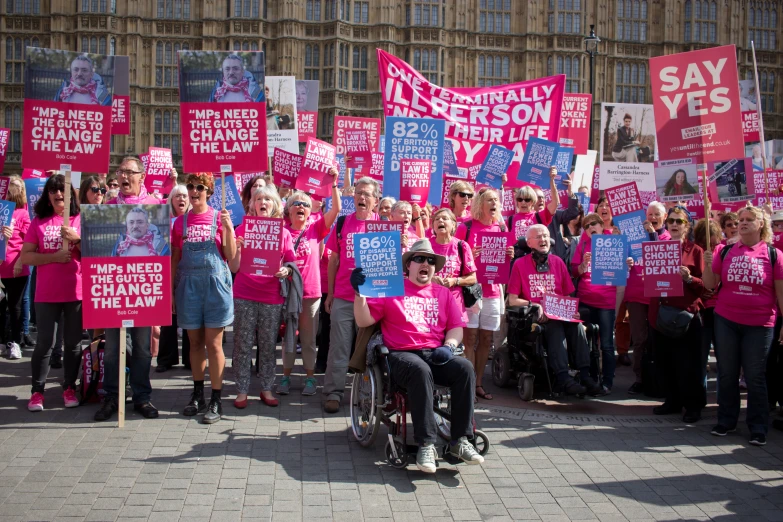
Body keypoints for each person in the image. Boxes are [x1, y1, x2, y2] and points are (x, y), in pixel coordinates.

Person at [351, 239, 484, 472]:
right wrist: (359, 294)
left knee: (464, 368)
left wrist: (450, 345)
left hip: (435, 353)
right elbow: (364, 321)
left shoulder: (444, 294)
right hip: (401, 354)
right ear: (408, 265)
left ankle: (460, 440)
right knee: (420, 371)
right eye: (419, 259)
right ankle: (426, 444)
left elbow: (456, 328)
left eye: (430, 261)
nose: (426, 263)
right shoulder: (391, 291)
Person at [704, 206, 783, 446]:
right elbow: (710, 285)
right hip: (727, 320)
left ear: (761, 225)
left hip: (760, 324)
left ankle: (758, 426)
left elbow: (781, 295)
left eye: (749, 220)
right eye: (741, 220)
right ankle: (726, 420)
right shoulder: (726, 251)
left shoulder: (773, 255)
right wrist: (708, 265)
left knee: (755, 376)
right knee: (727, 373)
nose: (743, 223)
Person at [507, 224, 602, 395]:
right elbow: (512, 299)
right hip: (535, 318)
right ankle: (563, 377)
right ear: (529, 242)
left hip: (559, 313)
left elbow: (568, 294)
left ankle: (586, 374)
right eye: (538, 237)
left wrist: (573, 310)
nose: (543, 239)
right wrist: (533, 305)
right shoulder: (520, 265)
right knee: (554, 327)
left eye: (545, 236)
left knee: (578, 326)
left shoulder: (557, 262)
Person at [173, 173, 237, 424]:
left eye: (200, 187)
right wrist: (169, 292)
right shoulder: (180, 223)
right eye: (190, 187)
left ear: (209, 192)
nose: (194, 191)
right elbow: (175, 258)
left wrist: (229, 228)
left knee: (214, 344)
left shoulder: (218, 218)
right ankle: (197, 394)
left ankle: (217, 399)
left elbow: (230, 257)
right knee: (194, 342)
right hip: (188, 286)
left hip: (215, 285)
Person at [230, 186, 296, 408]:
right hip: (245, 293)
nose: (263, 202)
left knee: (267, 346)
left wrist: (286, 271)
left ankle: (266, 388)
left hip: (271, 296)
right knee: (242, 343)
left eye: (268, 198)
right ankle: (241, 390)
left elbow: (291, 262)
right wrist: (237, 249)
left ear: (275, 204)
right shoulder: (241, 230)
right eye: (259, 198)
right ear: (252, 205)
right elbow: (234, 266)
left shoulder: (283, 233)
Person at [21, 175, 82, 412]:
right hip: (46, 293)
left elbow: (94, 252)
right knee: (44, 343)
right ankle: (37, 392)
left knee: (73, 344)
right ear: (47, 195)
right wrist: (53, 258)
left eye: (63, 190)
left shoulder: (80, 219)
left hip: (75, 291)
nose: (59, 194)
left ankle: (69, 387)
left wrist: (77, 240)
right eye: (54, 190)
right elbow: (26, 256)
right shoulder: (38, 222)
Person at [279, 175, 340, 396]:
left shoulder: (315, 229)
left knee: (307, 339)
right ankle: (285, 378)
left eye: (305, 204)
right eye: (296, 203)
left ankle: (310, 379)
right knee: (288, 339)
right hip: (287, 294)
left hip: (311, 294)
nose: (301, 207)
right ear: (288, 210)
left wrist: (333, 184)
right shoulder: (282, 231)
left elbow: (335, 210)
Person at [322, 177, 379, 413]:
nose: (361, 197)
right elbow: (334, 259)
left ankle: (367, 395)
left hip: (373, 301)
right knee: (339, 347)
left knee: (367, 350)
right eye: (358, 193)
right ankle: (333, 393)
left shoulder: (384, 225)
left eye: (367, 194)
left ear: (375, 201)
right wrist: (331, 293)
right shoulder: (343, 222)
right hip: (344, 296)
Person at [455, 188, 514, 401]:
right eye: (490, 199)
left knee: (486, 339)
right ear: (480, 203)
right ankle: (467, 385)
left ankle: (478, 383)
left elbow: (506, 258)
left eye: (496, 200)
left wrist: (510, 254)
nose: (494, 203)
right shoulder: (466, 227)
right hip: (471, 291)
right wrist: (470, 250)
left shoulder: (501, 226)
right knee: (469, 338)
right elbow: (454, 255)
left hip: (493, 291)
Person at [648, 206, 706, 423]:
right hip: (661, 315)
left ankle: (693, 406)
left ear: (686, 225)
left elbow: (706, 288)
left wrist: (690, 278)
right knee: (665, 362)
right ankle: (672, 401)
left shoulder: (696, 251)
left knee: (688, 364)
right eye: (671, 220)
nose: (674, 224)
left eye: (679, 221)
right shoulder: (656, 248)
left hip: (686, 316)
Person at [572, 212, 617, 394]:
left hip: (606, 301)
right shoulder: (582, 244)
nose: (591, 227)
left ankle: (607, 381)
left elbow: (622, 267)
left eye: (594, 224)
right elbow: (575, 271)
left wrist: (626, 263)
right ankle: (590, 378)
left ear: (601, 225)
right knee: (587, 342)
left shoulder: (613, 240)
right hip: (586, 300)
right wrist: (582, 265)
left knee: (606, 343)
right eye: (587, 225)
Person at [157, 184, 192, 372]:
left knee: (188, 316)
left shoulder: (192, 220)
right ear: (171, 200)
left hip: (188, 273)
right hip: (168, 271)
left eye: (185, 196)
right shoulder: (163, 221)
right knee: (168, 317)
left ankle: (189, 358)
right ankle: (166, 359)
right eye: (177, 196)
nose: (182, 199)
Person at [0, 177, 30, 360]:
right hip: (1, 266)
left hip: (17, 267)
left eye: (16, 186)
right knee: (1, 307)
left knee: (16, 307)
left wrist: (20, 261)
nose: (12, 189)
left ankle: (15, 342)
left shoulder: (23, 214)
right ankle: (2, 341)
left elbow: (29, 242)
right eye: (10, 185)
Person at [430, 208, 478, 319]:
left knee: (455, 335)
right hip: (430, 303)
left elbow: (473, 278)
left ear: (453, 225)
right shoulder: (426, 245)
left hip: (454, 303)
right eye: (437, 219)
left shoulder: (462, 246)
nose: (440, 221)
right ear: (433, 226)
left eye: (444, 218)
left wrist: (455, 281)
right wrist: (430, 278)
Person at [693, 217, 721, 395]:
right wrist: (701, 290)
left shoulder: (723, 250)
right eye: (705, 234)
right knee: (701, 357)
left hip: (719, 309)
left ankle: (722, 397)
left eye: (711, 234)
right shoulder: (696, 251)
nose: (708, 238)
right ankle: (700, 395)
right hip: (703, 309)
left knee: (724, 358)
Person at [509, 168, 559, 241]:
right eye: (520, 199)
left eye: (527, 200)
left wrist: (552, 180)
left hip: (534, 251)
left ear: (533, 201)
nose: (523, 202)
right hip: (517, 252)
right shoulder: (510, 219)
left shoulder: (540, 216)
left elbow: (555, 203)